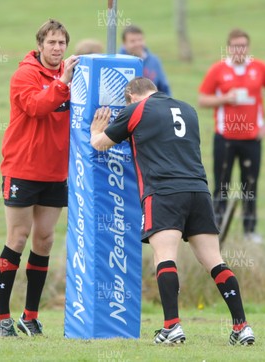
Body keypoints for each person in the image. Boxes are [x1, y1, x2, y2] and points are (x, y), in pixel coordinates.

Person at [90, 77, 255, 346]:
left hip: (164, 191)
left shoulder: (135, 109)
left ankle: (172, 327)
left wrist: (96, 131)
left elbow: (101, 144)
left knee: (164, 256)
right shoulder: (187, 109)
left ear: (132, 95)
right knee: (215, 260)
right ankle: (242, 327)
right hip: (199, 191)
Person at [0, 19, 79, 337]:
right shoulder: (24, 75)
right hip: (23, 168)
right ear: (40, 44)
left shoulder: (71, 76)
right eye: (51, 43)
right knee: (18, 237)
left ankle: (30, 316)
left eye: (61, 43)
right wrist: (63, 83)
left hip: (55, 172)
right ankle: (1, 316)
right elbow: (37, 107)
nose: (57, 49)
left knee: (44, 240)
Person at [198, 28, 265, 244]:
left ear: (248, 47)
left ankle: (249, 230)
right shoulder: (218, 70)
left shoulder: (259, 69)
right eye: (236, 46)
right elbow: (202, 99)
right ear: (229, 48)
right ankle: (216, 229)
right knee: (221, 184)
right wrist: (225, 98)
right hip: (225, 137)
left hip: (251, 138)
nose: (240, 49)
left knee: (250, 184)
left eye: (243, 45)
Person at [119, 25, 171, 96]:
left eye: (140, 40)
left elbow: (164, 88)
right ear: (124, 44)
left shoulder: (154, 61)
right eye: (132, 41)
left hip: (150, 105)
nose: (137, 44)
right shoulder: (118, 62)